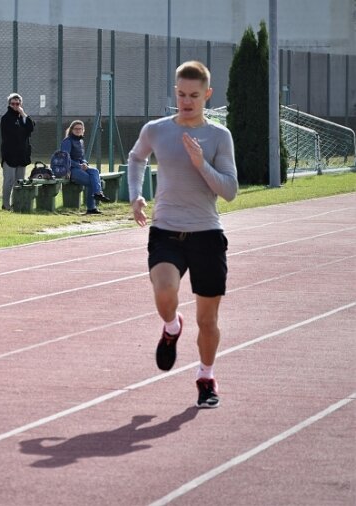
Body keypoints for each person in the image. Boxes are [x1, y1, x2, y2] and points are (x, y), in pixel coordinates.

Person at [127, 60, 238, 408]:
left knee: (208, 321)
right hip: (166, 230)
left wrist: (201, 163)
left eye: (193, 95)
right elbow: (136, 158)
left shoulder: (219, 136)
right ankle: (172, 326)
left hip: (206, 234)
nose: (186, 101)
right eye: (180, 94)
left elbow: (230, 190)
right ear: (175, 91)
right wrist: (136, 196)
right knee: (164, 293)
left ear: (207, 95)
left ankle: (206, 377)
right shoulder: (156, 129)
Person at [60, 120, 111, 215]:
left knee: (94, 171)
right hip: (71, 170)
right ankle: (92, 206)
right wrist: (78, 165)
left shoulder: (81, 141)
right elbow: (65, 158)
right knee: (92, 181)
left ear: (83, 130)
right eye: (76, 129)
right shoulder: (67, 141)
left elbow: (82, 158)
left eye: (80, 129)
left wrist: (84, 163)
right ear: (71, 130)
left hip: (80, 167)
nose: (78, 130)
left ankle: (97, 195)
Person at [0, 93, 35, 210]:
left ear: (21, 104)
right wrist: (23, 127)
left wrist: (23, 114)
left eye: (17, 103)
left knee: (19, 181)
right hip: (10, 155)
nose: (15, 106)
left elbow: (31, 127)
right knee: (9, 181)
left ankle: (17, 204)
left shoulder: (23, 117)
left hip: (22, 154)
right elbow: (14, 132)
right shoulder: (6, 118)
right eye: (13, 103)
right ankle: (6, 204)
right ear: (9, 104)